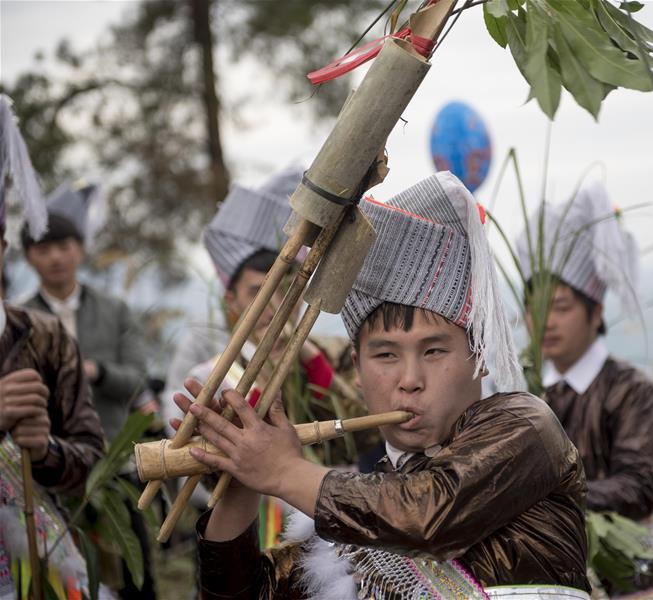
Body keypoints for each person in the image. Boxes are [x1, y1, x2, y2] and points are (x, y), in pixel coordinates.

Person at [176, 171, 590, 599]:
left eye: (433, 352)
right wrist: (243, 481)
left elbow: (427, 515)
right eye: (386, 355)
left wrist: (282, 471)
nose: (409, 380)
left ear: (479, 356)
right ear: (357, 367)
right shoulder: (357, 510)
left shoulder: (524, 426)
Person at [162, 167, 364, 546]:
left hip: (333, 521)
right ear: (232, 299)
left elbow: (359, 434)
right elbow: (203, 471)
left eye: (283, 288)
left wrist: (303, 354)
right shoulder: (216, 373)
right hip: (251, 530)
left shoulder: (329, 352)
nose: (271, 304)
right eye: (257, 291)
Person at [516, 181, 653, 595]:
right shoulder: (524, 391)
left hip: (629, 581)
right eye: (535, 308)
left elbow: (639, 487)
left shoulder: (637, 392)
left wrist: (542, 494)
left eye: (562, 307)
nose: (546, 322)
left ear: (596, 311)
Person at [0, 94, 105, 598]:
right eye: (45, 247)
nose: (57, 258)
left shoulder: (42, 336)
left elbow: (88, 453)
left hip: (44, 568)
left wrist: (44, 450)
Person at [20, 182, 150, 440]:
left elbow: (137, 381)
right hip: (48, 458)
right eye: (43, 250)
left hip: (114, 453)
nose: (55, 258)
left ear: (81, 250)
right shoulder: (19, 318)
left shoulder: (115, 310)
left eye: (64, 247)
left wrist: (97, 371)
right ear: (28, 258)